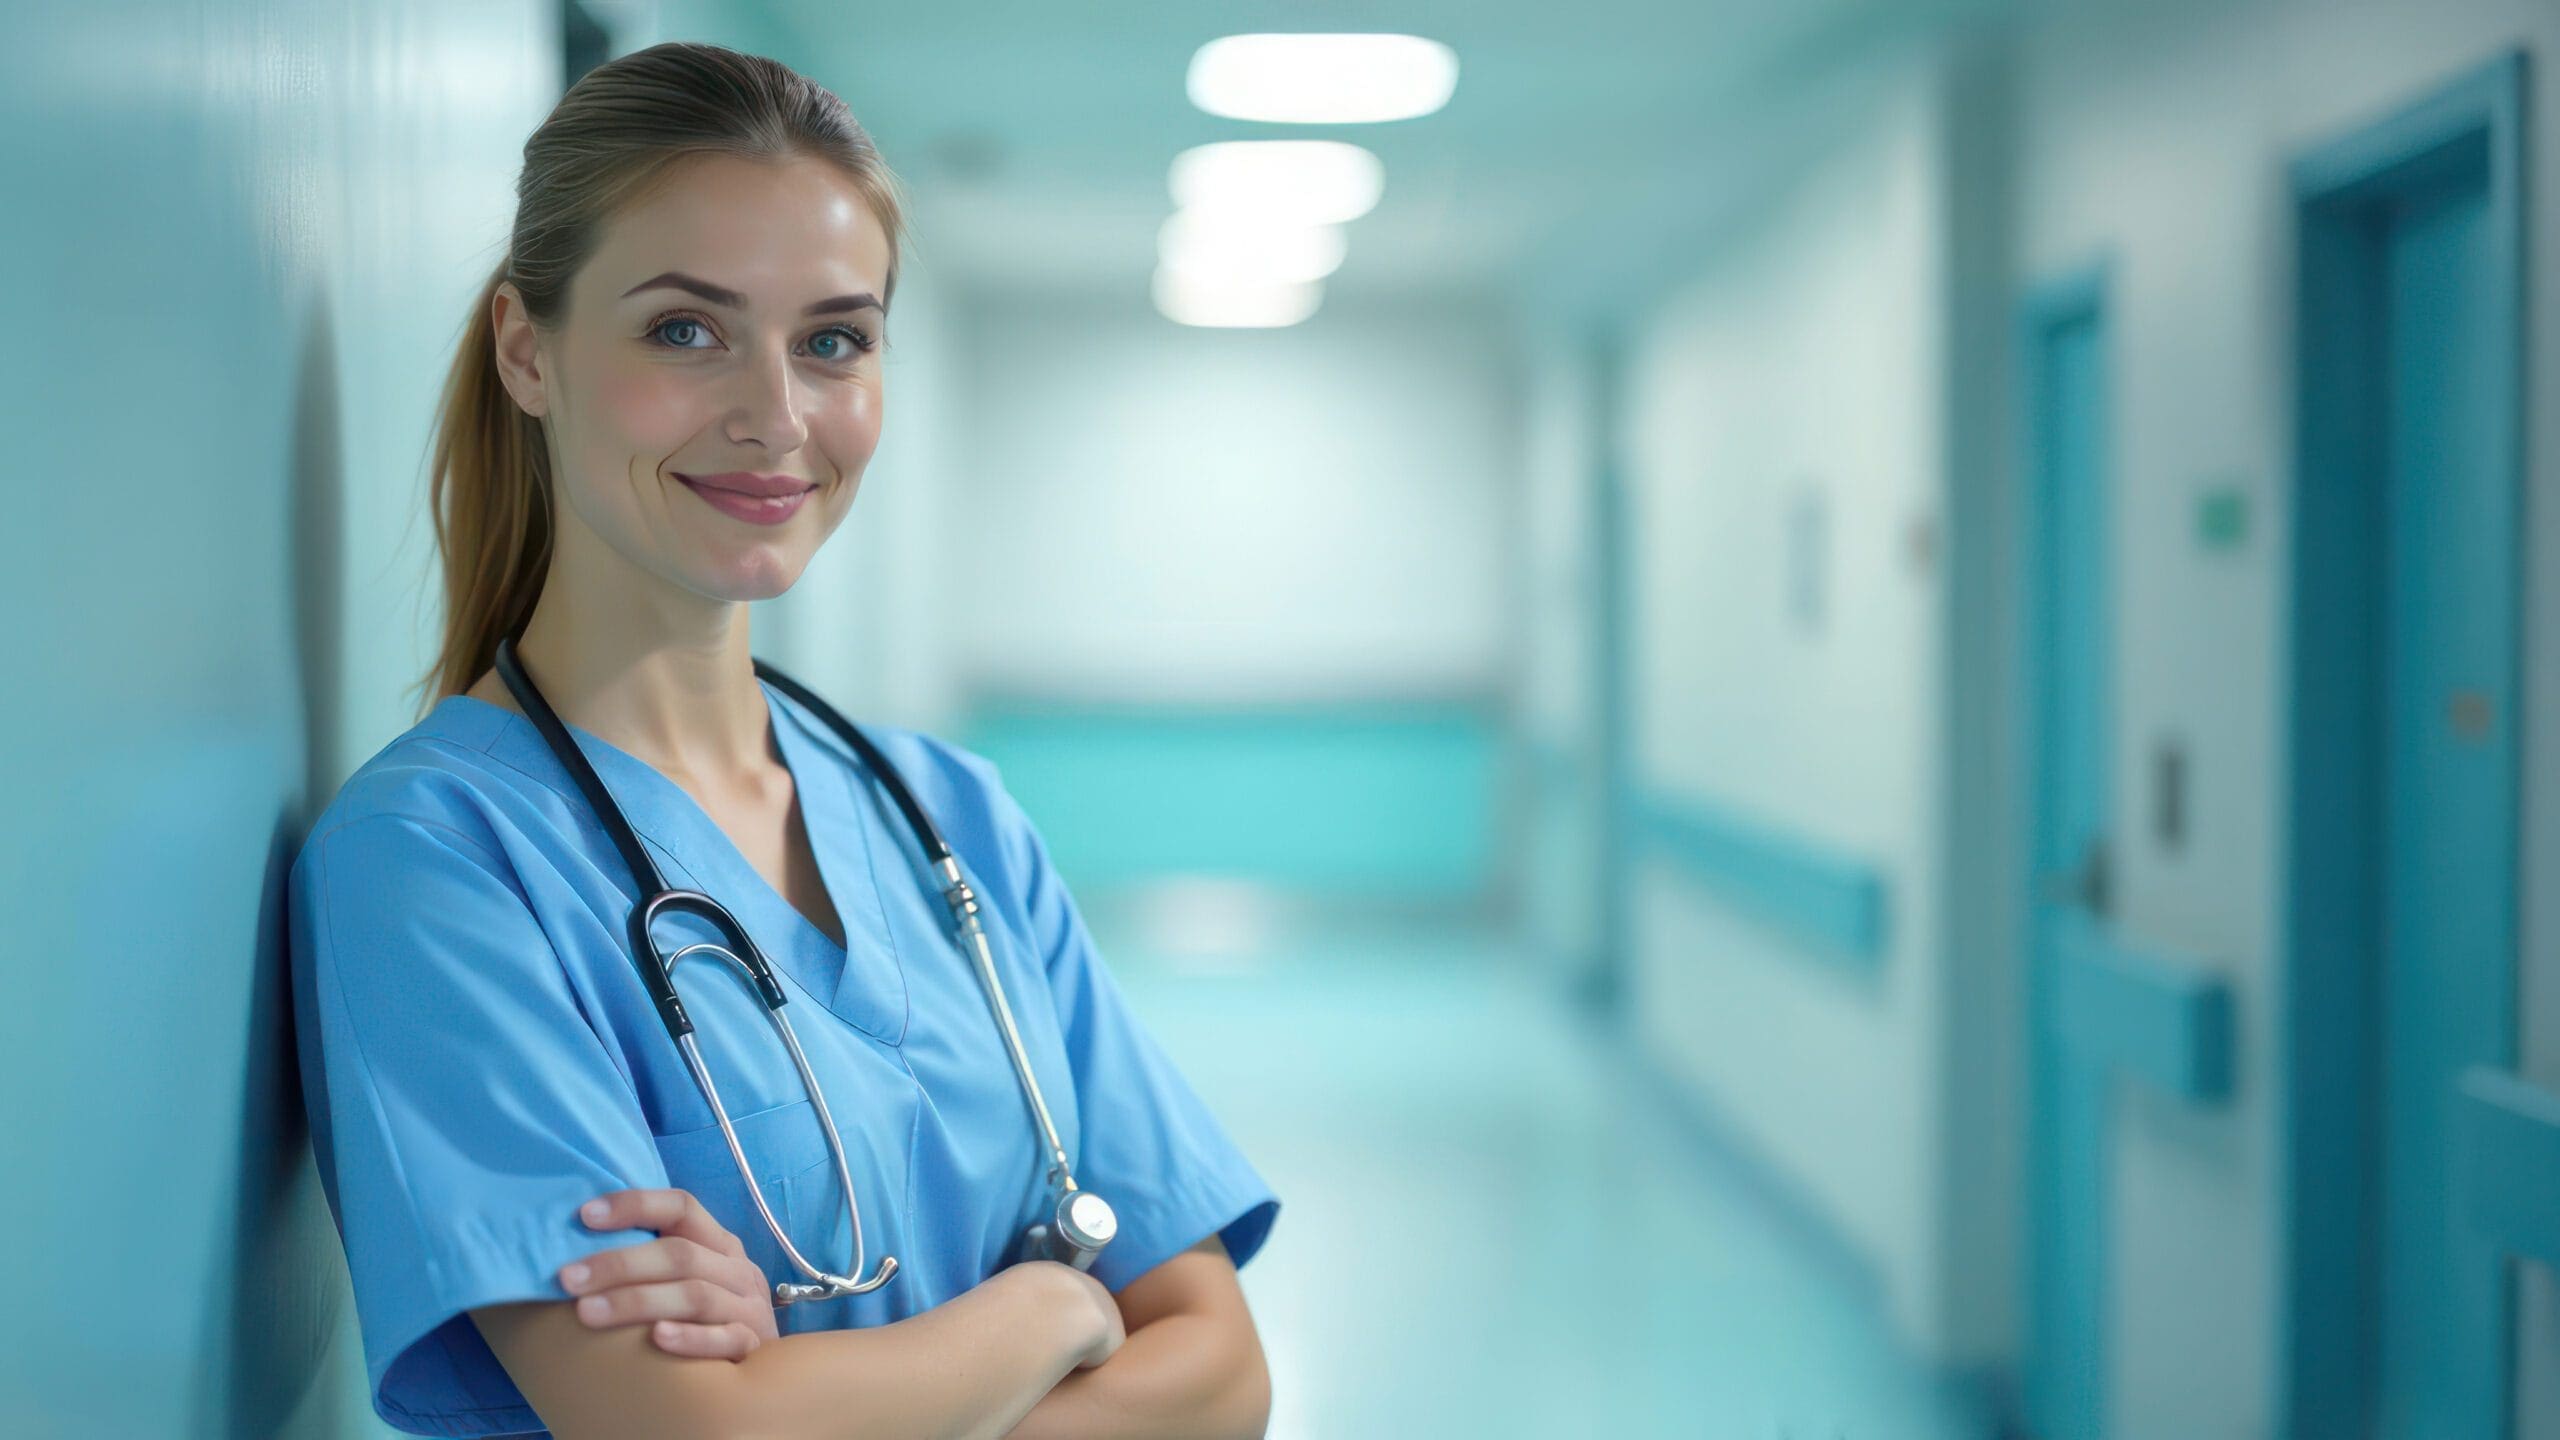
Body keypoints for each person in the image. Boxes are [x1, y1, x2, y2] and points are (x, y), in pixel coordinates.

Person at [287, 40, 1279, 1439]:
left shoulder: (946, 814)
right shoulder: (437, 863)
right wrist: (1057, 1311)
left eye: (834, 340)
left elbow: (1225, 1368)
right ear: (529, 348)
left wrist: (834, 1397)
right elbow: (693, 1431)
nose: (775, 417)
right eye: (686, 330)